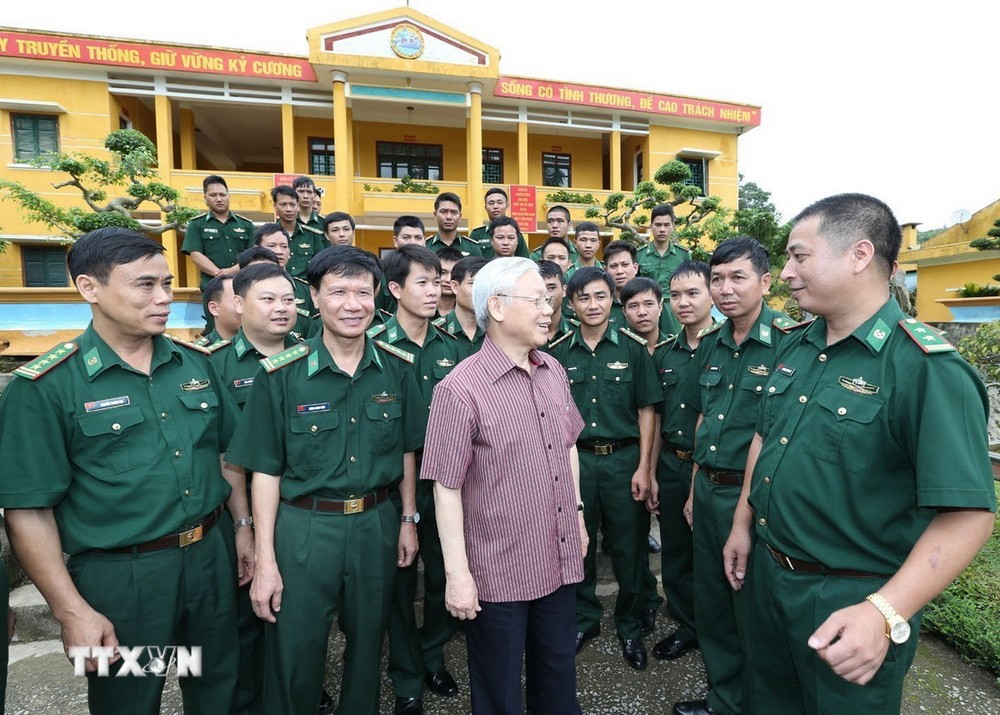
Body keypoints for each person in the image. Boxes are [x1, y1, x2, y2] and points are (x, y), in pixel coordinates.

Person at [722, 194, 996, 714]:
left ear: (859, 254)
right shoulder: (796, 346)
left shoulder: (926, 369)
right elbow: (765, 438)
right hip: (769, 577)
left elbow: (968, 516)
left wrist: (884, 613)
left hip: (851, 598)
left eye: (800, 256)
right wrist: (742, 524)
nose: (785, 274)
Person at [0, 227, 251, 714]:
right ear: (89, 288)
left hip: (209, 559)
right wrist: (70, 609)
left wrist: (242, 530)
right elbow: (28, 510)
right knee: (131, 697)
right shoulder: (45, 386)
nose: (163, 298)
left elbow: (227, 455)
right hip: (125, 578)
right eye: (144, 285)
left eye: (166, 283)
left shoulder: (196, 365)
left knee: (218, 684)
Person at [225, 245, 424, 715]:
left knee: (368, 644)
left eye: (362, 291)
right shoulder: (281, 374)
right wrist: (266, 557)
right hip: (304, 528)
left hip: (377, 522)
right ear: (313, 297)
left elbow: (406, 451)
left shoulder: (397, 368)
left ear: (379, 297)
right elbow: (265, 472)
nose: (351, 304)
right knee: (294, 648)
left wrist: (408, 519)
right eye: (337, 292)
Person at [422, 257, 587, 715]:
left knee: (557, 678)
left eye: (548, 300)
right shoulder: (459, 389)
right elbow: (446, 487)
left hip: (557, 555)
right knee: (499, 692)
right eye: (537, 300)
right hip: (497, 572)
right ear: (496, 306)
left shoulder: (553, 369)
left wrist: (577, 515)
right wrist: (457, 575)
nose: (547, 310)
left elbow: (569, 444)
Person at [672, 237, 796, 715]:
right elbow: (705, 419)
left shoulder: (791, 341)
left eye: (737, 277)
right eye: (717, 279)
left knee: (751, 609)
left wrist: (746, 510)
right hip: (707, 490)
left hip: (754, 502)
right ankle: (724, 699)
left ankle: (757, 702)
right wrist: (691, 487)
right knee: (714, 604)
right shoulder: (714, 344)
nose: (725, 289)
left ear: (765, 282)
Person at [549, 267, 659, 671]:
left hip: (622, 461)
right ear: (571, 303)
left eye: (599, 297)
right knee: (578, 548)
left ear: (611, 299)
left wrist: (644, 468)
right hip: (576, 460)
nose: (592, 305)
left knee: (629, 548)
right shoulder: (558, 351)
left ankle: (630, 625)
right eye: (583, 298)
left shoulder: (631, 348)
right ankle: (584, 619)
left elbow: (647, 410)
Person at [370, 245, 460, 714]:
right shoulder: (373, 347)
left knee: (447, 576)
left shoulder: (453, 346)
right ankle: (406, 673)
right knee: (399, 586)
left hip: (444, 482)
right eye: (422, 282)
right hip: (390, 488)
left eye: (437, 281)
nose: (434, 290)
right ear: (396, 289)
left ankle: (433, 652)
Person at [643, 262, 714, 665]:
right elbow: (654, 418)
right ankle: (688, 626)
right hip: (671, 463)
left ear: (710, 295)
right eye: (676, 296)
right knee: (676, 552)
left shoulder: (725, 348)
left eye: (693, 294)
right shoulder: (664, 353)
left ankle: (716, 630)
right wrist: (651, 473)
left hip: (711, 471)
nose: (683, 303)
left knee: (711, 554)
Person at [182, 174, 255, 288]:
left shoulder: (247, 225)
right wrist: (218, 273)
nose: (219, 199)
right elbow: (196, 255)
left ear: (229, 196)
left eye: (222, 195)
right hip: (212, 285)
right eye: (213, 195)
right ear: (205, 198)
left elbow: (253, 255)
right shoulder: (196, 224)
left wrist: (231, 271)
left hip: (243, 284)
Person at [637, 204, 691, 337]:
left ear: (673, 227)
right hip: (646, 308)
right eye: (658, 225)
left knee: (673, 344)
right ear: (651, 227)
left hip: (672, 308)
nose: (662, 229)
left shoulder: (683, 254)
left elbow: (689, 285)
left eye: (666, 225)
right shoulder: (639, 255)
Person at [439, 256, 488, 360]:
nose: (480, 292)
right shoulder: (436, 333)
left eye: (485, 285)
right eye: (473, 284)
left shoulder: (497, 333)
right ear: (455, 287)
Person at [272, 185, 325, 279]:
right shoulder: (266, 235)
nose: (289, 209)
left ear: (298, 206)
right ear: (275, 206)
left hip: (305, 289)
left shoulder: (313, 235)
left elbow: (321, 266)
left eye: (292, 204)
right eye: (283, 204)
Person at [468, 188, 529, 257]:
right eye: (491, 203)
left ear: (507, 206)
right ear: (486, 207)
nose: (495, 206)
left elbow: (524, 261)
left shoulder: (515, 234)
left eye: (499, 202)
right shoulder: (477, 234)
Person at [426, 192, 483, 257]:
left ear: (460, 216)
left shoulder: (472, 247)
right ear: (435, 215)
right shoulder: (425, 247)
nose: (449, 217)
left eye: (454, 212)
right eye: (444, 211)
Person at [603, 239, 637, 327]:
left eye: (625, 265)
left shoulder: (650, 300)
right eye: (613, 266)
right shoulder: (601, 304)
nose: (619, 271)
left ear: (635, 268)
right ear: (605, 270)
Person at [538, 260, 573, 344]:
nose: (546, 295)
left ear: (564, 290)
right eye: (540, 289)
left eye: (551, 288)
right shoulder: (522, 334)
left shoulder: (579, 332)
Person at [435, 246, 463, 316]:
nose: (448, 279)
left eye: (454, 273)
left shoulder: (468, 311)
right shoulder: (421, 309)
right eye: (443, 272)